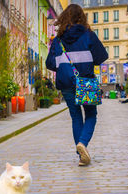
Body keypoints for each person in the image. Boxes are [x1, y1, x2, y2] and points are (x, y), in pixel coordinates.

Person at [46, 4, 108, 166]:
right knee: (91, 115)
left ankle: (81, 155)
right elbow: (102, 56)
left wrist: (64, 66)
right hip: (86, 81)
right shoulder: (88, 35)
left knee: (75, 116)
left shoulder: (58, 40)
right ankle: (83, 144)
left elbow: (50, 64)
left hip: (66, 83)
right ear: (82, 17)